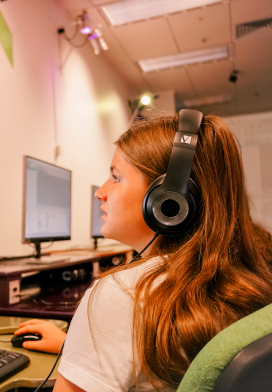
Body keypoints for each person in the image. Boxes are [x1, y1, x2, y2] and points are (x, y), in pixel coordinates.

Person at [15, 113, 272, 391]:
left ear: (168, 201)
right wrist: (79, 348)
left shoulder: (123, 294)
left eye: (115, 177)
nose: (100, 192)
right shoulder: (243, 281)